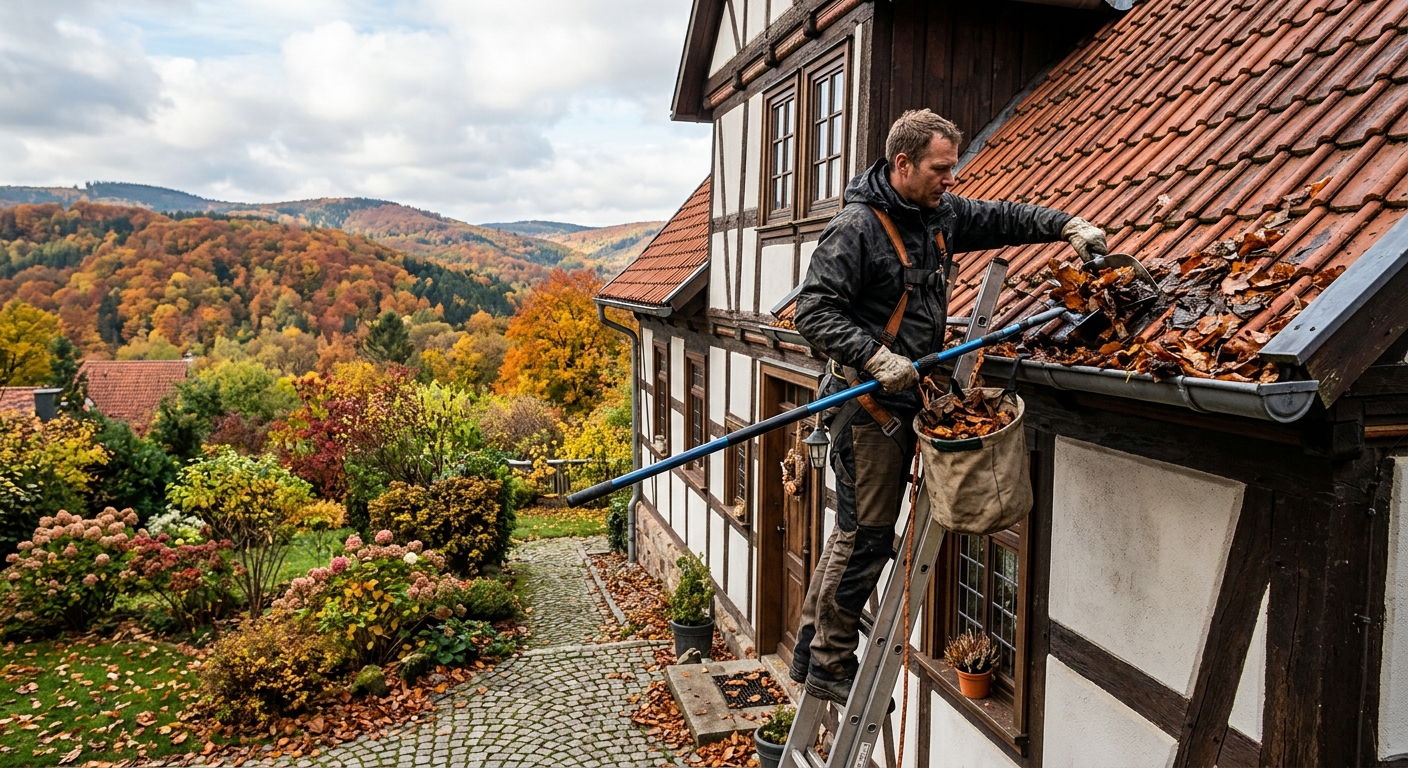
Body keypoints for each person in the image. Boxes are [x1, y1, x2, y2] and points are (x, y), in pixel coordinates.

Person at [790, 109, 1106, 703]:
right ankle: (831, 664)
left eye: (952, 169)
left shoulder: (940, 216)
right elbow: (813, 312)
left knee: (854, 536)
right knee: (866, 537)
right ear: (902, 164)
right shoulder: (856, 229)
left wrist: (1068, 225)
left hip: (911, 396)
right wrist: (875, 358)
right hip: (867, 410)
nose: (949, 180)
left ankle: (813, 649)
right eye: (940, 168)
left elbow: (1006, 217)